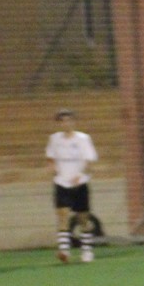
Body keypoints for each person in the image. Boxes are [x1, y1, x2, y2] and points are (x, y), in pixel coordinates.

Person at [46, 109, 99, 263]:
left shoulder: (83, 139)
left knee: (83, 218)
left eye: (69, 120)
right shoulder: (54, 139)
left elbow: (90, 160)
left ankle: (87, 250)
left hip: (79, 183)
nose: (66, 124)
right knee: (62, 214)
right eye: (62, 121)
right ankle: (64, 250)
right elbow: (50, 157)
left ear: (74, 122)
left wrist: (81, 174)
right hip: (62, 182)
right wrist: (52, 168)